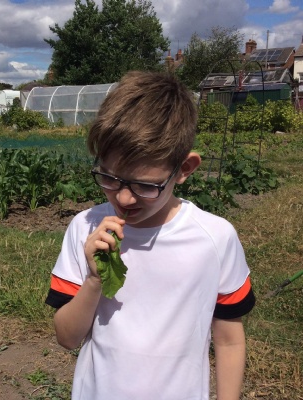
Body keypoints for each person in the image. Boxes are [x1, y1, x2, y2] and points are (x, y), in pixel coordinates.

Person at [45, 70, 255, 400]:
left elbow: (229, 340)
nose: (124, 198)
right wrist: (95, 280)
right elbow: (67, 338)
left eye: (145, 185)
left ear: (184, 169)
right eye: (110, 178)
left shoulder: (215, 239)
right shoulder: (85, 228)